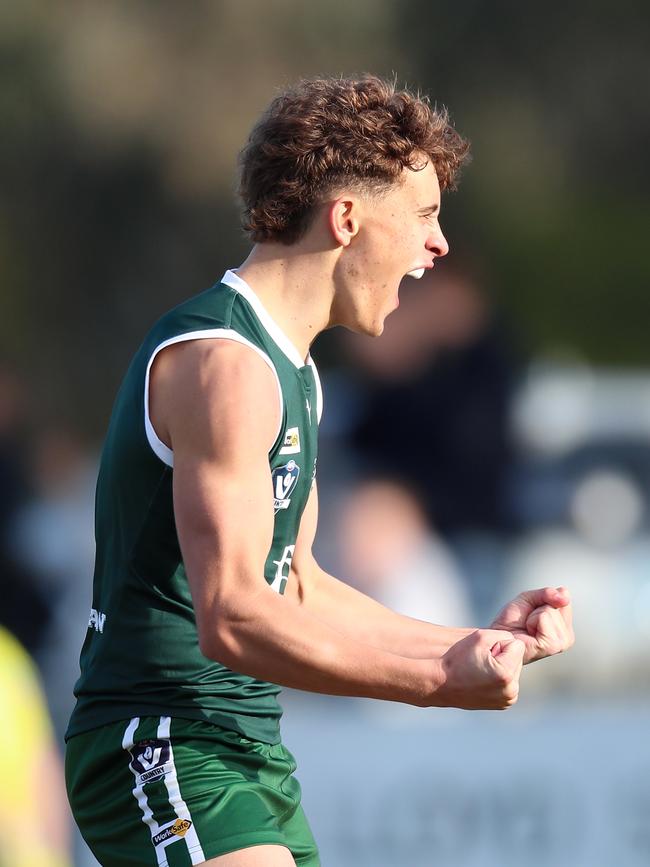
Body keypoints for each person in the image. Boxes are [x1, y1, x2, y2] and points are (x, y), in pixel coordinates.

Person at [65, 75, 574, 867]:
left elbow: (295, 585)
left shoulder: (294, 370)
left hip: (241, 748)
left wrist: (474, 644)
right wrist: (440, 681)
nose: (438, 245)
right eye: (426, 215)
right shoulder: (225, 366)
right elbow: (232, 614)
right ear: (346, 219)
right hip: (164, 739)